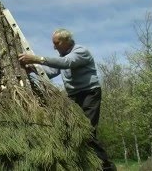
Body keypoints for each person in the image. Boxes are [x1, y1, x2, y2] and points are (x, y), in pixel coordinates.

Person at [18, 28, 117, 171]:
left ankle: (107, 167)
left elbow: (66, 63)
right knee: (73, 129)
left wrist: (38, 59)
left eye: (56, 43)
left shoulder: (80, 52)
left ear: (66, 41)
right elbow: (52, 72)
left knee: (87, 130)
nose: (54, 47)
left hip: (89, 93)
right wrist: (33, 69)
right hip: (73, 95)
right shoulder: (62, 55)